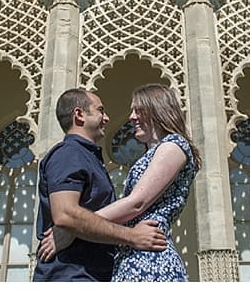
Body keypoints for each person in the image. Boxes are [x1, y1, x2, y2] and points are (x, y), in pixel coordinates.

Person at [39, 83, 201, 282]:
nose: (131, 117)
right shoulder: (70, 153)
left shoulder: (173, 145)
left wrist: (74, 229)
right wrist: (76, 226)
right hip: (131, 254)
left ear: (157, 109)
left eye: (138, 110)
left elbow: (137, 202)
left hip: (149, 257)